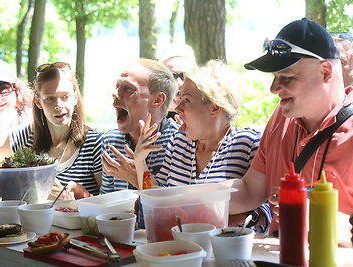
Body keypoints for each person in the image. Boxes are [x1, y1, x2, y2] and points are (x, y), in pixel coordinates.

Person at [222, 18, 353, 247]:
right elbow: (251, 190)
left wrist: (318, 217)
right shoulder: (280, 118)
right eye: (274, 77)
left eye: (287, 77)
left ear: (325, 72)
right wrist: (185, 198)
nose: (273, 89)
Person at [129, 60, 271, 233]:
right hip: (179, 246)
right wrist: (140, 161)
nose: (177, 108)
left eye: (186, 100)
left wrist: (247, 219)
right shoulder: (179, 142)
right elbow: (158, 196)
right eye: (179, 99)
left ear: (215, 108)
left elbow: (271, 206)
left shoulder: (248, 143)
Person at [10, 62, 103, 199]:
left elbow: (109, 208)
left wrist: (75, 199)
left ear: (75, 97)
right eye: (49, 98)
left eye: (65, 96)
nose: (58, 105)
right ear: (38, 101)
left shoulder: (95, 143)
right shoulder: (23, 138)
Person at [100, 58, 179, 194]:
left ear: (157, 100)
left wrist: (134, 177)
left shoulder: (178, 142)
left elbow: (174, 205)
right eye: (117, 86)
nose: (115, 93)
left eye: (128, 88)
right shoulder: (111, 141)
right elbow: (106, 203)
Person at [160, 44, 197, 121]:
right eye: (171, 76)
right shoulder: (144, 117)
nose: (179, 83)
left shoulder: (209, 117)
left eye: (185, 76)